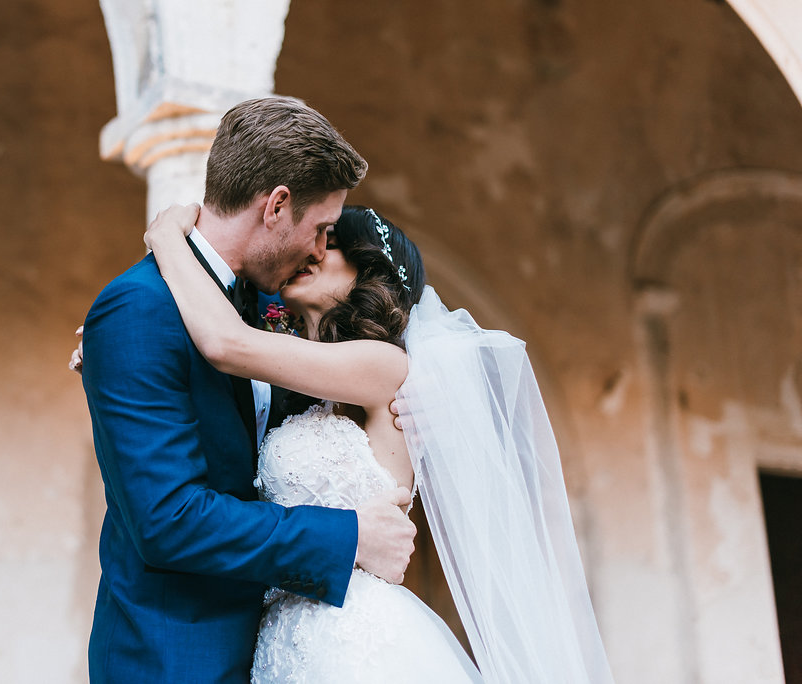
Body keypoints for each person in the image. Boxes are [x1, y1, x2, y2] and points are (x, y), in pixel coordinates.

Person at [142, 202, 616, 683]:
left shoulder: (382, 366)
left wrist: (165, 239)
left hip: (351, 639)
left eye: (332, 243)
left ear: (369, 270)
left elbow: (227, 344)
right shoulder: (307, 392)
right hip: (282, 640)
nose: (313, 251)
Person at [78, 97, 418, 683]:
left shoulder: (270, 306)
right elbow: (168, 519)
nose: (318, 249)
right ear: (277, 205)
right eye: (321, 230)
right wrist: (348, 536)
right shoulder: (139, 309)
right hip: (173, 656)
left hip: (283, 648)